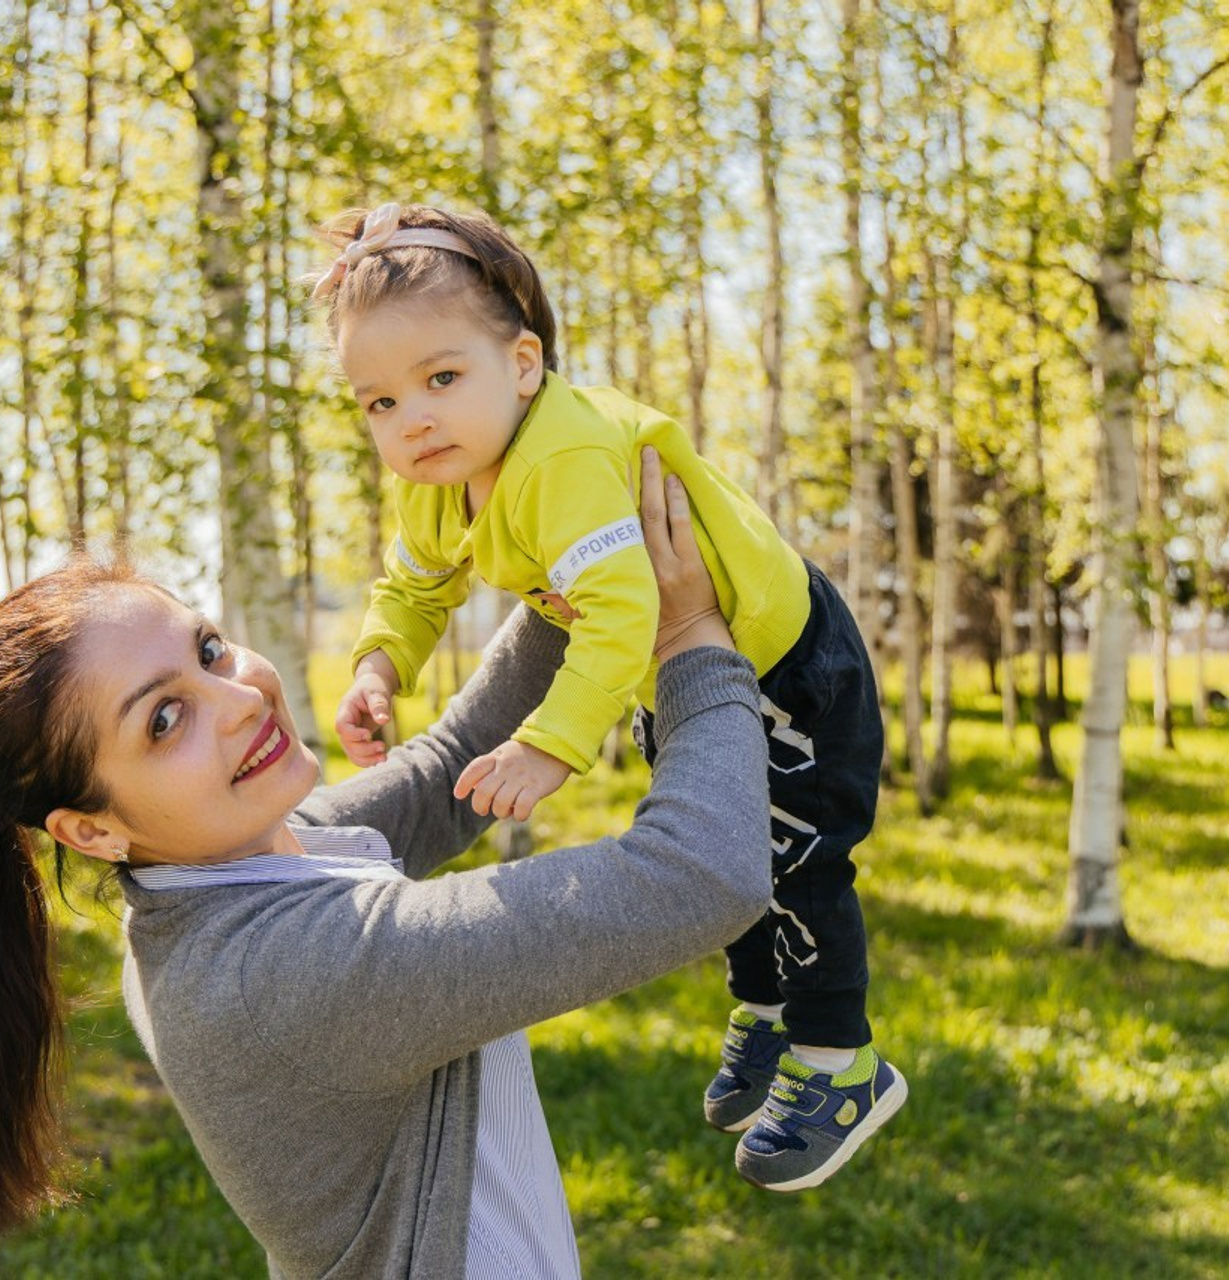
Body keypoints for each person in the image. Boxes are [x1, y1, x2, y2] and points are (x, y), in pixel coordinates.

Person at [0, 454, 772, 1277]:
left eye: (211, 649)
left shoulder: (250, 857)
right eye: (163, 720)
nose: (244, 698)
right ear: (89, 831)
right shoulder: (279, 973)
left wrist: (583, 555)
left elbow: (450, 772)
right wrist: (691, 639)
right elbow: (700, 874)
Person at [318, 201, 907, 1191]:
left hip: (786, 659)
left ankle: (840, 1057)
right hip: (677, 669)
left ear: (523, 363)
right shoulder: (442, 470)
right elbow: (416, 584)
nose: (411, 417)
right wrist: (379, 666)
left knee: (798, 858)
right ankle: (764, 1010)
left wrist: (550, 744)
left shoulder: (564, 457)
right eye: (376, 402)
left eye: (440, 377)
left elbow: (623, 606)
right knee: (733, 844)